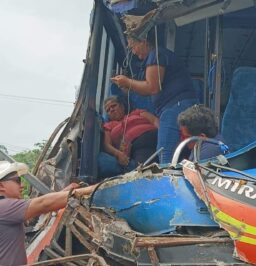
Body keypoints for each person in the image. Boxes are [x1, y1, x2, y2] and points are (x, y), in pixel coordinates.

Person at [111, 27, 198, 164]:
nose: (132, 51)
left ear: (144, 42)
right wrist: (128, 86)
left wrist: (127, 81)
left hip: (175, 107)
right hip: (180, 106)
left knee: (165, 151)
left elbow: (152, 87)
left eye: (133, 46)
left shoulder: (156, 55)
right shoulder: (158, 55)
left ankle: (168, 184)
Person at [0, 161, 96, 266]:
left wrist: (64, 192)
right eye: (17, 181)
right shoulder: (4, 207)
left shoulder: (6, 210)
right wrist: (92, 189)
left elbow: (39, 209)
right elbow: (44, 204)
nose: (22, 185)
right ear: (1, 185)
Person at [98, 95, 159, 178]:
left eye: (114, 106)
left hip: (156, 137)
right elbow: (106, 145)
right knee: (145, 172)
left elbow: (154, 120)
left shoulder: (137, 112)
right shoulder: (108, 126)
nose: (111, 110)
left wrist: (163, 134)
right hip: (137, 148)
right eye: (108, 110)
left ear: (122, 106)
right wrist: (118, 154)